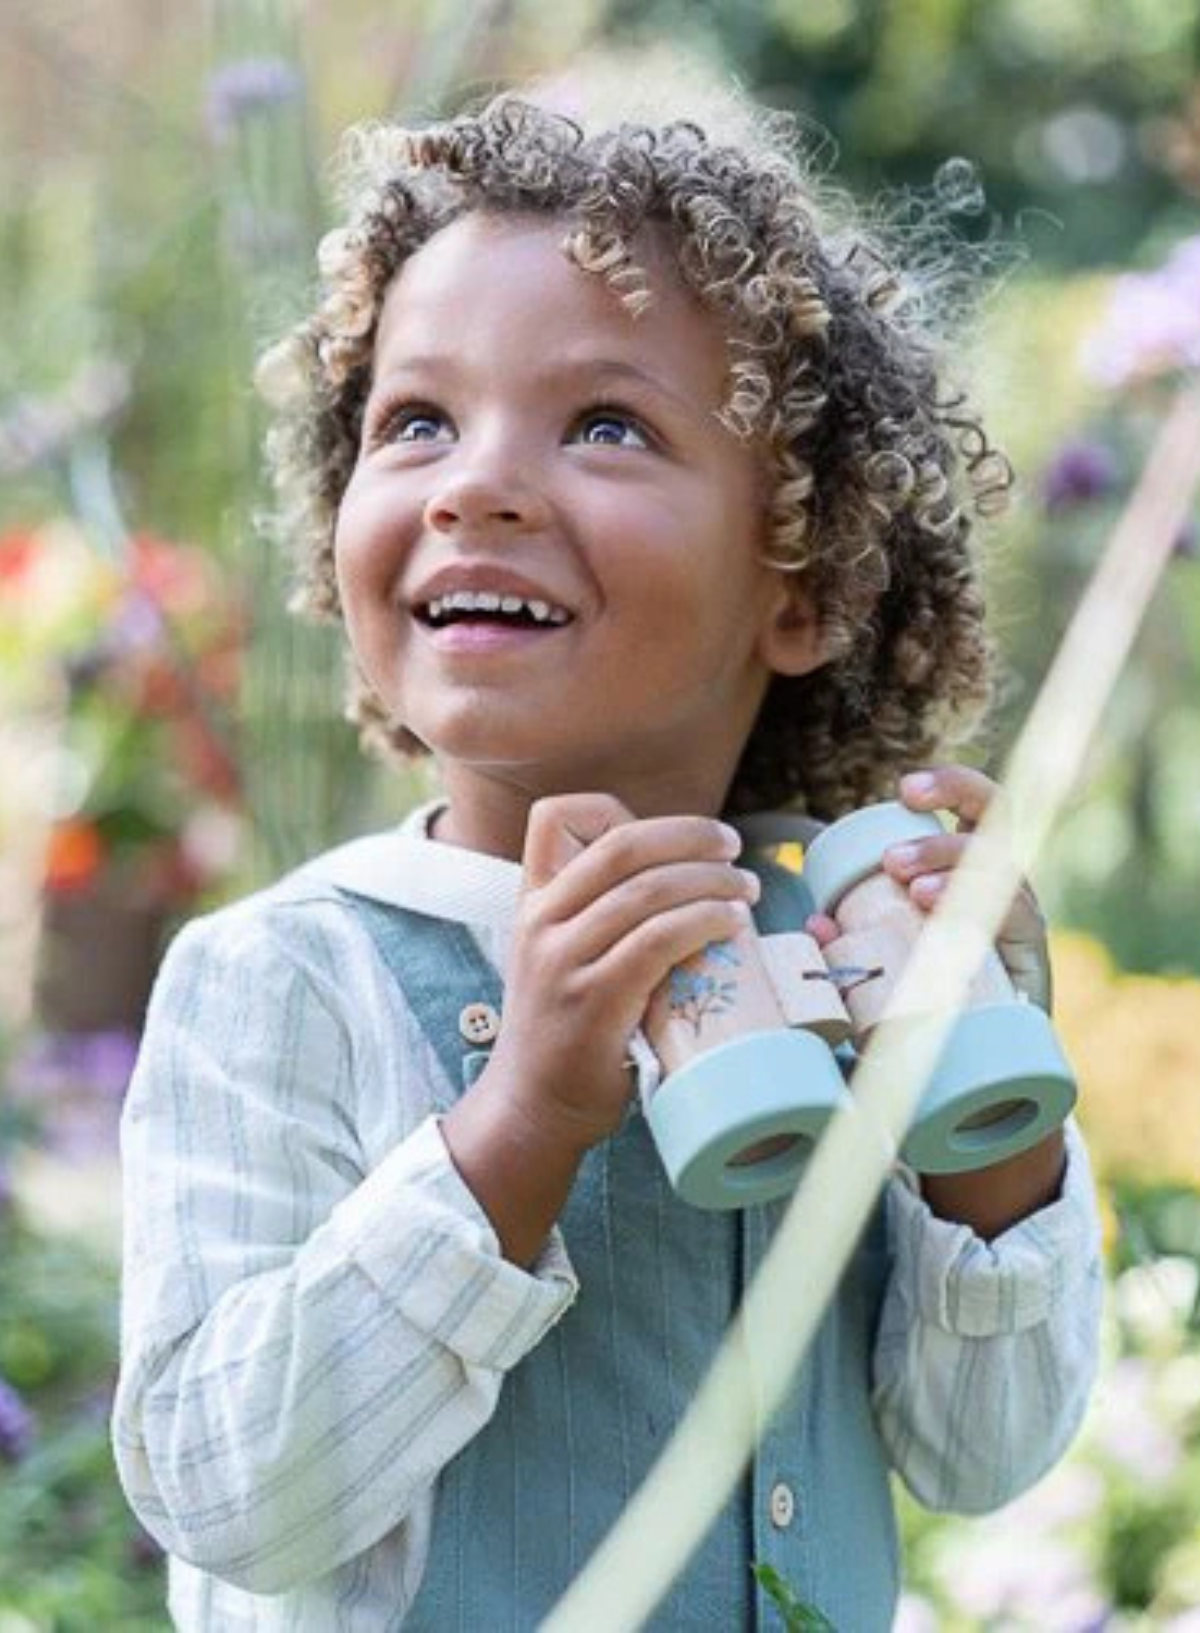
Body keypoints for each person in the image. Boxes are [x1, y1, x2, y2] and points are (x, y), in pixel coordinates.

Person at [112, 87, 1103, 1630]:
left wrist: (989, 1139)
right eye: (415, 419)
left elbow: (982, 1458)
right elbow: (230, 1496)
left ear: (808, 585)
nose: (476, 483)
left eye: (604, 425)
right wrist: (514, 1132)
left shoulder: (844, 945)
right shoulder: (287, 975)